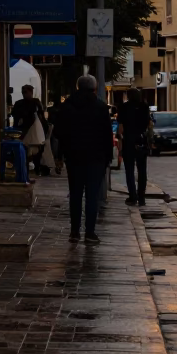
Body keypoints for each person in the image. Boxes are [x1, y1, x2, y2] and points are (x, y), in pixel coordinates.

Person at [52, 75, 113, 243]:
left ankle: (74, 232)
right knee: (92, 196)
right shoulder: (100, 107)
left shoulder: (68, 106)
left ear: (78, 87)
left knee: (76, 194)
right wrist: (108, 157)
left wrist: (60, 155)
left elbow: (58, 133)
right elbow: (107, 135)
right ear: (94, 88)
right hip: (96, 157)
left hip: (74, 157)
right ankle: (90, 232)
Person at [117, 86, 151, 206]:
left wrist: (120, 142)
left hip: (129, 141)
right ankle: (142, 197)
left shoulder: (124, 107)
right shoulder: (144, 106)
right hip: (141, 140)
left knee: (129, 171)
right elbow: (148, 124)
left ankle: (133, 196)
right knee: (142, 171)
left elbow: (120, 128)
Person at [12, 84, 46, 174]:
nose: (24, 94)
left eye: (26, 92)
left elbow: (41, 116)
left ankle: (36, 168)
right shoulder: (19, 104)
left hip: (33, 129)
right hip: (24, 130)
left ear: (31, 92)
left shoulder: (35, 103)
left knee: (36, 151)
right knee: (25, 150)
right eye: (23, 92)